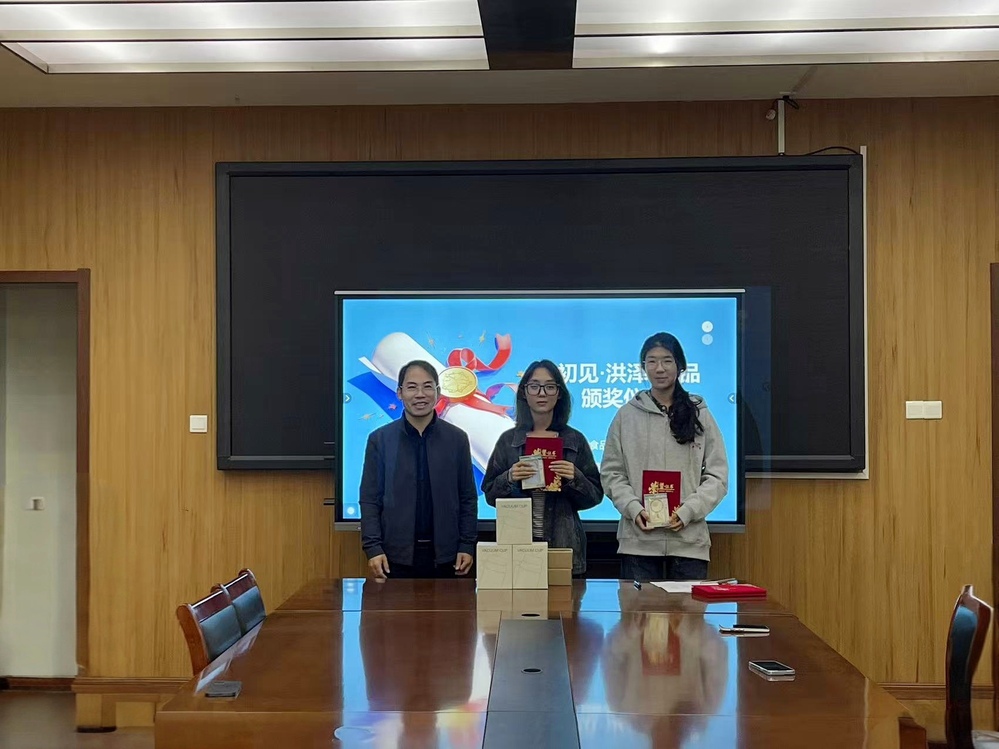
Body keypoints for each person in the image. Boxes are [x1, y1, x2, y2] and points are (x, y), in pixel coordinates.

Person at [602, 333, 728, 581]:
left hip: (689, 543)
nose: (659, 368)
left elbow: (718, 476)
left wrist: (688, 511)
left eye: (667, 361)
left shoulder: (699, 414)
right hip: (638, 543)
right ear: (643, 367)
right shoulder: (626, 416)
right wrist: (633, 508)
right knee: (639, 608)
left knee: (687, 609)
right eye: (651, 361)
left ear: (680, 366)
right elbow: (612, 473)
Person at [481, 359, 603, 575]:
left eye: (549, 386)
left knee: (564, 598)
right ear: (524, 392)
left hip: (564, 544)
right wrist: (509, 477)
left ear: (559, 393)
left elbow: (595, 497)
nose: (542, 393)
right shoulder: (508, 440)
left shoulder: (575, 440)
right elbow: (490, 495)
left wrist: (575, 478)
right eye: (534, 386)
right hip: (518, 546)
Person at [359, 359, 478, 579]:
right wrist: (373, 548)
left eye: (427, 386)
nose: (420, 394)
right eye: (412, 387)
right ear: (399, 393)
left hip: (448, 557)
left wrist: (467, 544)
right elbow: (369, 499)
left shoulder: (457, 439)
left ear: (438, 392)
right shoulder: (380, 440)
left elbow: (467, 497)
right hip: (394, 557)